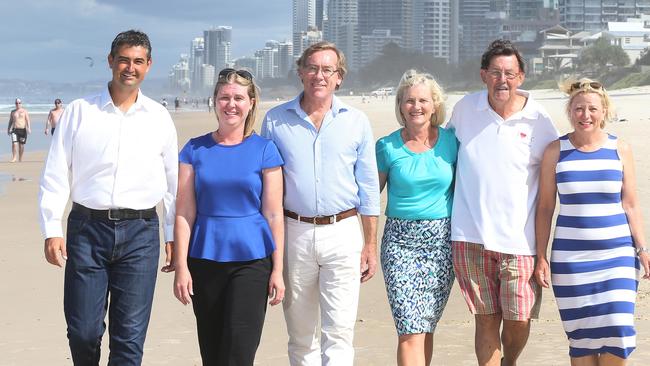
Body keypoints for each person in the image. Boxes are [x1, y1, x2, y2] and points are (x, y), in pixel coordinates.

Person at [38, 30, 178, 366]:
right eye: (124, 60)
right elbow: (56, 171)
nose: (130, 68)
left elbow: (173, 183)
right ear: (111, 62)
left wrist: (171, 235)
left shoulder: (159, 118)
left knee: (129, 338)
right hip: (87, 229)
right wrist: (51, 227)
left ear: (149, 65)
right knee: (83, 331)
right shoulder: (79, 111)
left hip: (141, 233)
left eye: (138, 61)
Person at [262, 41, 380, 365]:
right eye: (312, 68)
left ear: (339, 77)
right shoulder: (275, 120)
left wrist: (370, 245)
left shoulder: (356, 121)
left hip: (343, 231)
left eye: (327, 69)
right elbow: (267, 190)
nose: (319, 75)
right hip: (294, 232)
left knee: (339, 334)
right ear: (300, 72)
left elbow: (369, 188)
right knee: (301, 337)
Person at [448, 39, 559, 366]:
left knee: (519, 318)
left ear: (521, 76)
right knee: (485, 319)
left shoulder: (539, 119)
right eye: (495, 73)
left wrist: (543, 252)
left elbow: (551, 186)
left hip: (520, 242)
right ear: (484, 75)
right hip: (470, 238)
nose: (502, 80)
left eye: (510, 73)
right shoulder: (465, 109)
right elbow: (442, 156)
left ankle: (509, 361)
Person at [172, 68, 285, 365]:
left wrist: (278, 269)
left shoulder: (265, 150)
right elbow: (184, 212)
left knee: (239, 352)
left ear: (250, 103)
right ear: (214, 101)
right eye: (224, 97)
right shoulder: (194, 149)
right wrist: (181, 266)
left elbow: (273, 213)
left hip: (252, 261)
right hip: (204, 258)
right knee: (212, 352)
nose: (230, 104)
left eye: (238, 98)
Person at [534, 78, 650, 365]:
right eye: (579, 109)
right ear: (570, 111)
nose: (585, 115)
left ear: (604, 111)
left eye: (592, 109)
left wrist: (643, 249)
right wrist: (541, 256)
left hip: (618, 257)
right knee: (582, 340)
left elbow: (631, 205)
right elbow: (546, 207)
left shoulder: (619, 149)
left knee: (618, 332)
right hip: (571, 261)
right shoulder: (555, 151)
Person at [375, 69, 457, 365]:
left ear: (435, 105)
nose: (416, 107)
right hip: (400, 244)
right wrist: (366, 245)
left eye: (423, 100)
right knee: (410, 329)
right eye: (409, 101)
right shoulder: (386, 147)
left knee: (426, 326)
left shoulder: (451, 142)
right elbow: (370, 199)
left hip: (441, 245)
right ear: (400, 106)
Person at [7, 97, 31, 162]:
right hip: (14, 130)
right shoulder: (13, 112)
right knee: (14, 144)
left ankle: (20, 158)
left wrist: (29, 128)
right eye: (16, 103)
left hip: (23, 130)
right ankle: (14, 157)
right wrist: (8, 129)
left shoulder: (24, 111)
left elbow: (27, 120)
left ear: (21, 103)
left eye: (19, 103)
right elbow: (10, 121)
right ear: (15, 104)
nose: (18, 104)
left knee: (21, 145)